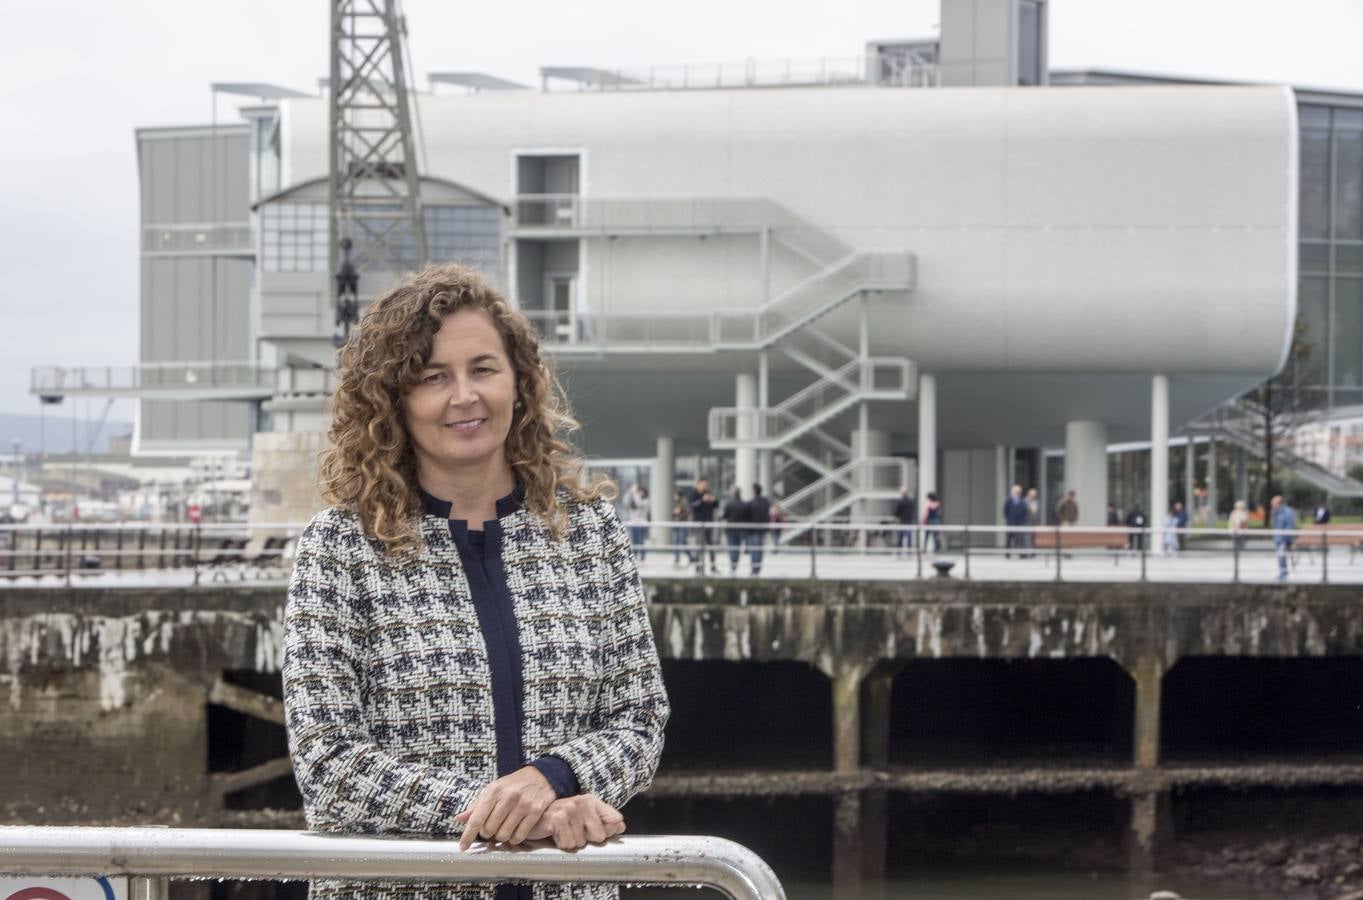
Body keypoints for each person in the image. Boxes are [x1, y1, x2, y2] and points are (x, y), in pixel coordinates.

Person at [282, 264, 670, 900]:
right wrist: (516, 815)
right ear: (393, 402)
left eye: (483, 368)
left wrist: (555, 774)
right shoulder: (342, 547)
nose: (465, 395)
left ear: (518, 382)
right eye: (434, 377)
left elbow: (641, 719)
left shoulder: (590, 532)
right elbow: (328, 761)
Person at [689, 478, 719, 575]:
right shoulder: (694, 495)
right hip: (698, 524)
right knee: (699, 546)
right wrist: (702, 500)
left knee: (711, 546)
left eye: (706, 484)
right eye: (703, 484)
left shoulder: (709, 493)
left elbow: (716, 504)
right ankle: (699, 567)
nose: (705, 486)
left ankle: (713, 566)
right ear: (698, 485)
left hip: (709, 523)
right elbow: (693, 505)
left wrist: (713, 500)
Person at [721, 486, 750, 575]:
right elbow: (747, 517)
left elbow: (725, 515)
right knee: (737, 549)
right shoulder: (744, 504)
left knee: (732, 548)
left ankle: (733, 567)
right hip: (741, 530)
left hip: (731, 529)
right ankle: (735, 566)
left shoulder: (729, 504)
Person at [747, 483, 772, 575]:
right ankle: (757, 567)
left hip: (753, 529)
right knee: (760, 549)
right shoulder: (766, 502)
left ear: (754, 491)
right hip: (762, 529)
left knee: (754, 549)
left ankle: (755, 568)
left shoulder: (751, 503)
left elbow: (748, 516)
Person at [1271, 494, 1297, 581]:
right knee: (1280, 556)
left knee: (1282, 556)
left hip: (1284, 539)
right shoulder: (1276, 512)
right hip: (1278, 539)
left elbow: (1290, 525)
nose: (1272, 505)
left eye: (1273, 503)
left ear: (1279, 503)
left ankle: (1284, 574)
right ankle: (1282, 573)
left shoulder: (1288, 512)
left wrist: (1285, 537)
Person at [624, 482, 650, 560]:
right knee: (634, 541)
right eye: (639, 491)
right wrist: (629, 492)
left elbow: (639, 504)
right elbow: (625, 502)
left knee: (641, 541)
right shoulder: (634, 499)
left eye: (641, 491)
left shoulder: (645, 500)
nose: (640, 493)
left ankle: (642, 558)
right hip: (633, 523)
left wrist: (635, 494)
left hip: (642, 523)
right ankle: (634, 557)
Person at [1002, 484, 1029, 557]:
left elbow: (1025, 511)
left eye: (1018, 492)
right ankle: (1007, 554)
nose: (1017, 493)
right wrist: (1009, 519)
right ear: (1012, 492)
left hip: (1020, 523)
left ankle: (1022, 554)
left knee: (1020, 539)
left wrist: (1023, 520)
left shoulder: (1023, 501)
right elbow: (1005, 511)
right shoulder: (1008, 500)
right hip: (1011, 522)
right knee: (1009, 538)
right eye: (1015, 491)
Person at [671, 488, 694, 567]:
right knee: (676, 542)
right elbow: (673, 514)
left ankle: (691, 557)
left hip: (683, 525)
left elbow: (688, 513)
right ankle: (677, 558)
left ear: (679, 495)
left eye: (675, 495)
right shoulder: (676, 503)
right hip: (677, 525)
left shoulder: (684, 502)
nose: (674, 497)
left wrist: (679, 513)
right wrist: (674, 513)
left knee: (683, 542)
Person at [893, 487, 916, 556]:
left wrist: (896, 517)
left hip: (902, 521)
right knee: (909, 538)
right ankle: (909, 553)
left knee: (900, 537)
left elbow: (897, 512)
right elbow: (913, 511)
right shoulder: (911, 501)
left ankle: (899, 553)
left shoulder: (901, 502)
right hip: (909, 521)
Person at [1024, 488, 1041, 556]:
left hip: (1034, 522)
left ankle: (1033, 552)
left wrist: (1038, 521)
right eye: (1032, 495)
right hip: (1027, 522)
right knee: (1027, 537)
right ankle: (1028, 552)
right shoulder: (1024, 501)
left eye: (1034, 495)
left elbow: (1038, 513)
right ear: (1029, 494)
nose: (1033, 496)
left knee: (1034, 537)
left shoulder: (1037, 502)